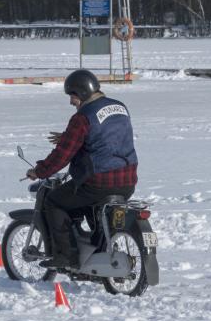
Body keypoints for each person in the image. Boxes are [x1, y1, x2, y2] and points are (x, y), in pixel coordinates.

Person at [26, 69, 138, 269]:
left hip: (98, 183)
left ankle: (67, 257)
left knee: (54, 201)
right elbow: (108, 138)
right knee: (88, 204)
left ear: (83, 92)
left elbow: (62, 156)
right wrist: (70, 136)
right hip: (127, 181)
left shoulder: (82, 118)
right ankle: (97, 249)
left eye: (73, 96)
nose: (71, 102)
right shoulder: (120, 107)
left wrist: (40, 171)